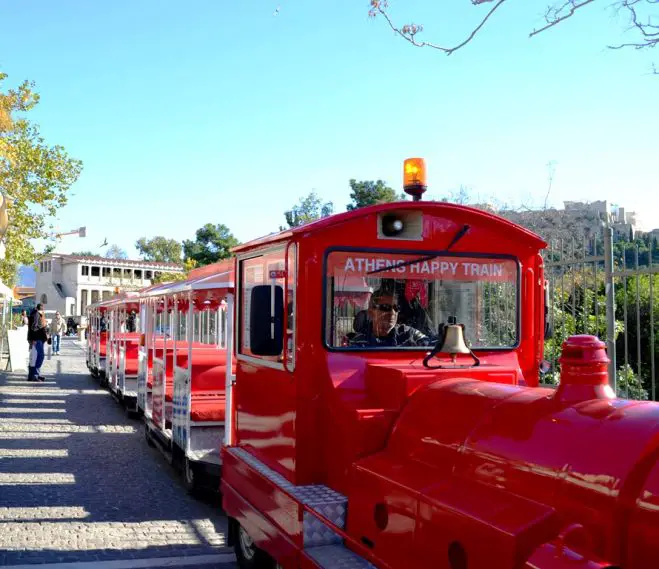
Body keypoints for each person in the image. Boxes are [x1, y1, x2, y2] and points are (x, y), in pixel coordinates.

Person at [348, 291, 432, 347]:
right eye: (385, 307)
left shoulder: (410, 334)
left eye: (396, 308)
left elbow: (430, 344)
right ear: (371, 312)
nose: (392, 313)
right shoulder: (359, 341)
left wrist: (443, 339)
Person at [27, 304, 49, 382]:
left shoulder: (35, 314)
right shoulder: (36, 314)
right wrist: (34, 339)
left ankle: (33, 375)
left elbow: (34, 326)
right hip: (37, 339)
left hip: (37, 338)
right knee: (40, 356)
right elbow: (34, 327)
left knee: (34, 357)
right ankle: (35, 375)